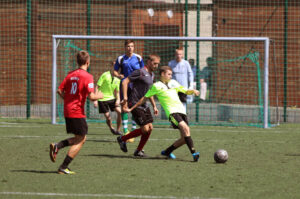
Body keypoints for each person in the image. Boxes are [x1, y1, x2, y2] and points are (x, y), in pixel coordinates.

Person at [125, 66, 200, 162]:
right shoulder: (156, 86)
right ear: (162, 74)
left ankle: (167, 152)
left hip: (182, 111)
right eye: (169, 74)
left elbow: (184, 90)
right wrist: (131, 108)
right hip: (172, 112)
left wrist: (192, 91)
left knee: (185, 138)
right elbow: (144, 98)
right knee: (186, 129)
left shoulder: (173, 83)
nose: (171, 76)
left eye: (171, 74)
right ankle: (194, 153)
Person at [49, 50, 103, 174]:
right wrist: (100, 95)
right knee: (81, 139)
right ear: (88, 62)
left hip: (67, 110)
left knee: (79, 138)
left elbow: (59, 90)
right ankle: (63, 166)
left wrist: (67, 99)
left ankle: (58, 146)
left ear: (77, 61)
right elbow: (91, 97)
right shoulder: (87, 76)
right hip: (76, 111)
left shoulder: (70, 74)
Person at [117, 54, 160, 157]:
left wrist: (154, 105)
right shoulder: (140, 72)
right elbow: (125, 82)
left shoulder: (152, 75)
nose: (156, 66)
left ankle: (138, 150)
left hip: (144, 103)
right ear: (148, 62)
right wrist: (125, 98)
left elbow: (150, 92)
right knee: (145, 128)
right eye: (154, 64)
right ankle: (122, 139)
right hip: (134, 103)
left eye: (158, 64)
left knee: (150, 127)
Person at [113, 40, 144, 141]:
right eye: (128, 46)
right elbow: (114, 71)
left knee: (135, 106)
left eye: (131, 46)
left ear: (134, 47)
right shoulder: (121, 59)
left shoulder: (138, 58)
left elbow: (143, 71)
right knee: (124, 105)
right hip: (125, 85)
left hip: (136, 86)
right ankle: (126, 130)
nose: (130, 48)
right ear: (125, 47)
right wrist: (118, 75)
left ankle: (133, 129)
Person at [93, 63, 122, 136]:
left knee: (120, 112)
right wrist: (95, 100)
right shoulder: (105, 75)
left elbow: (117, 92)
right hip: (102, 99)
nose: (116, 68)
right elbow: (97, 87)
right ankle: (111, 128)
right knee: (108, 118)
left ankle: (118, 130)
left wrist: (118, 100)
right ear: (111, 67)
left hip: (112, 98)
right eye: (115, 67)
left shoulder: (118, 79)